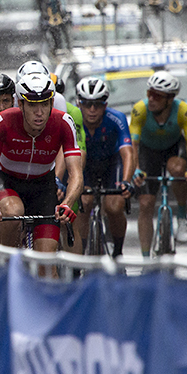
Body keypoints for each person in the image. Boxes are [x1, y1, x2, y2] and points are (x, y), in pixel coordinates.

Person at [0, 73, 83, 252]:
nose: (40, 112)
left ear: (51, 103)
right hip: (7, 181)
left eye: (45, 104)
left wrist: (67, 202)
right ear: (21, 104)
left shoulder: (64, 122)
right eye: (33, 105)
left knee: (46, 266)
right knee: (13, 212)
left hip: (43, 187)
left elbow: (76, 174)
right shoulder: (2, 121)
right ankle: (9, 265)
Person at [130, 70, 187, 251]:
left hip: (172, 149)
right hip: (147, 151)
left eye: (157, 96)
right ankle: (146, 260)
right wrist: (135, 168)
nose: (151, 99)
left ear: (170, 99)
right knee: (145, 204)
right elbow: (132, 144)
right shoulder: (140, 109)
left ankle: (182, 216)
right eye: (149, 94)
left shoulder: (182, 110)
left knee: (177, 169)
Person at [74, 77, 135, 257]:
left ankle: (117, 252)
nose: (92, 110)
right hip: (84, 166)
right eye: (87, 104)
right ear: (79, 104)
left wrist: (126, 181)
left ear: (105, 105)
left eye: (98, 105)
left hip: (111, 163)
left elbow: (128, 153)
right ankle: (81, 253)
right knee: (84, 203)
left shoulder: (117, 119)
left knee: (114, 207)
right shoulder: (73, 119)